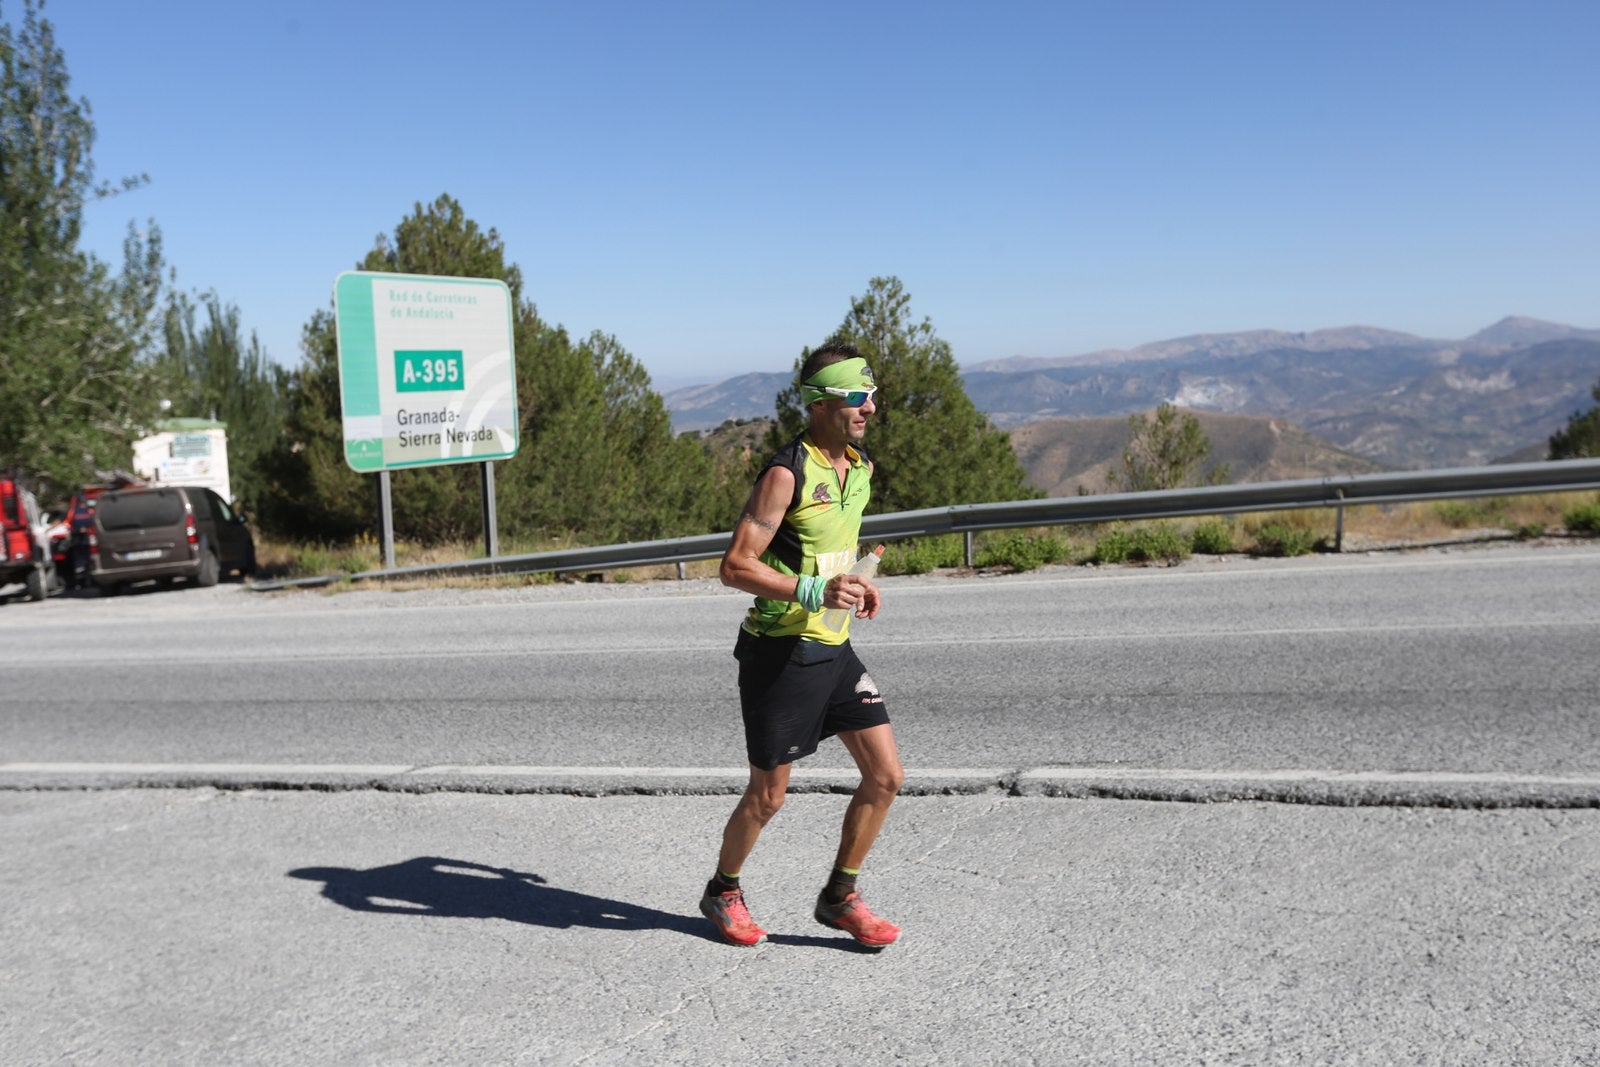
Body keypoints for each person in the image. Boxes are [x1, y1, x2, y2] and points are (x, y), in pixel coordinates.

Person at [700, 342, 906, 949]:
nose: (871, 406)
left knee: (886, 775)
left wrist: (858, 584)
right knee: (769, 796)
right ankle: (723, 890)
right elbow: (735, 567)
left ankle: (839, 897)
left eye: (873, 396)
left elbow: (831, 551)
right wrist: (813, 589)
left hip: (834, 648)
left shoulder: (860, 469)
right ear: (822, 403)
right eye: (857, 396)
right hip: (779, 652)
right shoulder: (786, 473)